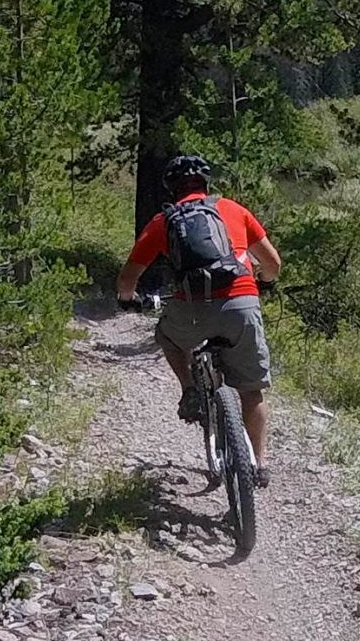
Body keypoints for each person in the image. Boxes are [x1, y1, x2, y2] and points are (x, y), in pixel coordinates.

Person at [116, 156, 282, 478]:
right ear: (206, 186)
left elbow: (127, 279)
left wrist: (128, 300)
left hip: (191, 308)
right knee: (251, 391)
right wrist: (263, 280)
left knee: (168, 336)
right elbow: (273, 263)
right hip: (241, 304)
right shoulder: (234, 210)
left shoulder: (163, 222)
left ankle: (190, 387)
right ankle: (259, 465)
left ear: (172, 190)